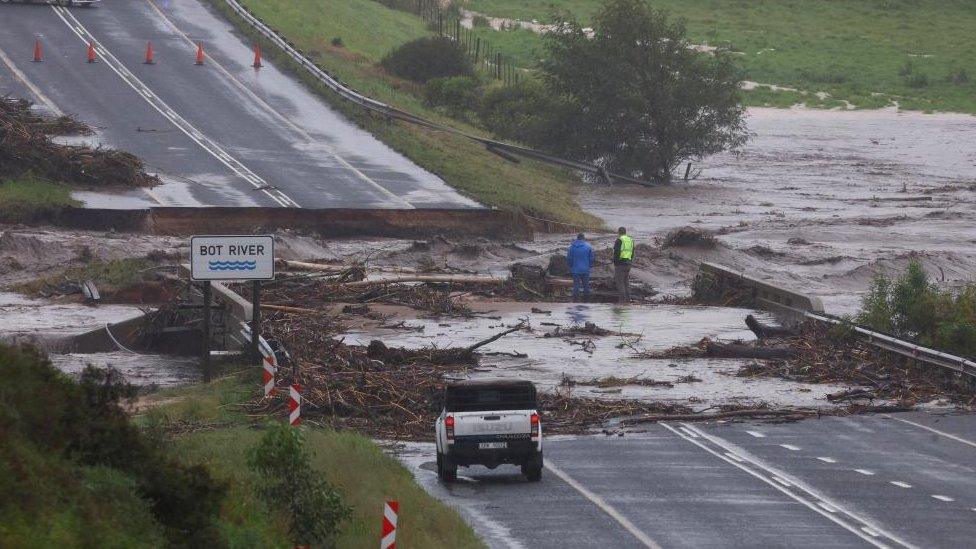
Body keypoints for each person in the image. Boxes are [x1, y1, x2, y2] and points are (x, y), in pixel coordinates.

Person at [566, 232, 594, 302]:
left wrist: (570, 266)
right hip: (585, 269)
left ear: (577, 238)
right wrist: (589, 265)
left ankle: (576, 300)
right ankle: (586, 300)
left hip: (575, 270)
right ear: (583, 238)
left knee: (576, 285)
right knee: (586, 285)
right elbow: (592, 258)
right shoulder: (588, 246)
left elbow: (569, 258)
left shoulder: (572, 247)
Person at [613, 227, 634, 304]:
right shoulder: (630, 240)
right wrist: (630, 261)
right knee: (626, 282)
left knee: (620, 282)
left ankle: (622, 302)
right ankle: (628, 301)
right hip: (628, 263)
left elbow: (617, 253)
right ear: (625, 232)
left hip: (621, 264)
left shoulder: (619, 240)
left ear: (619, 232)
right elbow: (632, 252)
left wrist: (615, 263)